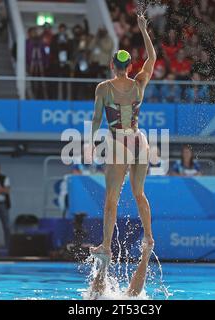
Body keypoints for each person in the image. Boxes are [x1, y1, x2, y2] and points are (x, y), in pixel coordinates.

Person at [89, 15, 155, 296]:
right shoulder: (140, 82)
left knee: (111, 200)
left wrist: (92, 143)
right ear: (130, 67)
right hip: (140, 140)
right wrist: (142, 29)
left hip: (119, 142)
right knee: (139, 194)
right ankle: (149, 239)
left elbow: (95, 120)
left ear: (111, 65)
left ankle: (106, 245)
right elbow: (152, 57)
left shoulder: (104, 88)